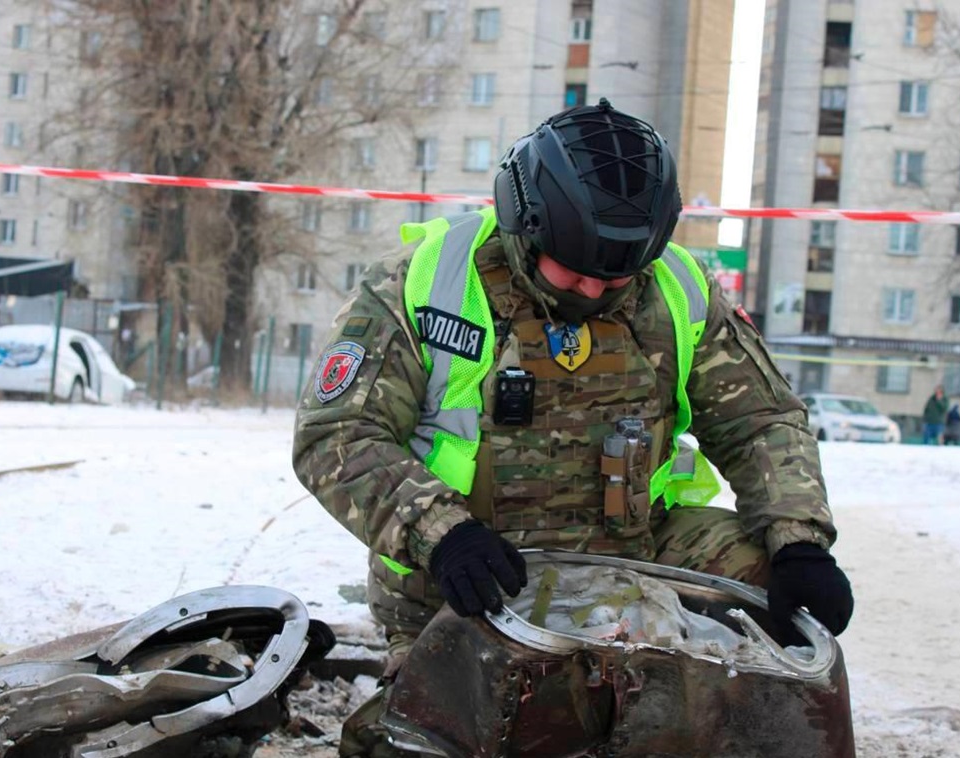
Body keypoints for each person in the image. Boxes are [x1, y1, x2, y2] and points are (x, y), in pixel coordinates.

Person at [292, 100, 854, 757]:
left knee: (773, 595)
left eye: (614, 275)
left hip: (635, 551)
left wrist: (798, 540)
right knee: (441, 734)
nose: (592, 290)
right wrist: (442, 534)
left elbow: (762, 419)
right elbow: (336, 434)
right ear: (525, 220)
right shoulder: (426, 284)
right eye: (575, 269)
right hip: (470, 577)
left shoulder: (678, 288)